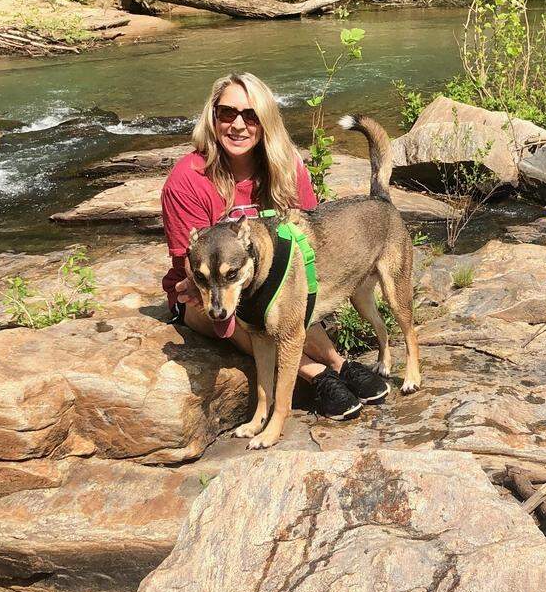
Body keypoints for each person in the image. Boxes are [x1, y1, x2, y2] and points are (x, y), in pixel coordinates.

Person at [161, 71, 389, 419]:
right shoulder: (188, 179)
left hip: (274, 285)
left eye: (250, 116)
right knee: (242, 311)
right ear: (212, 116)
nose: (238, 125)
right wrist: (200, 289)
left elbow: (311, 238)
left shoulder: (285, 166)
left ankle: (338, 363)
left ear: (266, 120)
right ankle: (317, 374)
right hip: (205, 294)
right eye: (227, 113)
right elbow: (192, 272)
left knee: (284, 303)